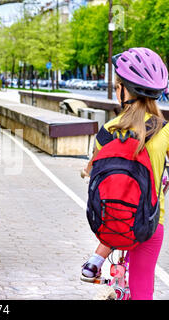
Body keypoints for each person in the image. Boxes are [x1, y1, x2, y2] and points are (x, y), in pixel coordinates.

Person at [80, 47, 168, 300]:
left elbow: (93, 168)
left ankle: (96, 259)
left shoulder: (107, 131)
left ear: (124, 90)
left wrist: (85, 171)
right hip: (150, 224)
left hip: (112, 221)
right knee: (143, 288)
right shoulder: (164, 130)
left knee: (115, 233)